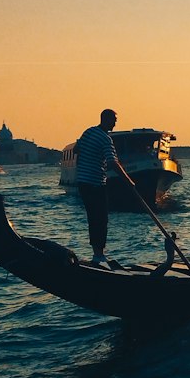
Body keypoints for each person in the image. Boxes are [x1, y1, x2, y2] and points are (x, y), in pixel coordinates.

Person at [74, 108, 135, 269]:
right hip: (95, 183)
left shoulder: (88, 132)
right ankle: (99, 255)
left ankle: (97, 253)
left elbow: (76, 150)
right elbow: (113, 162)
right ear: (107, 119)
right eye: (114, 120)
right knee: (101, 219)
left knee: (93, 218)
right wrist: (128, 181)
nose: (116, 123)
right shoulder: (105, 139)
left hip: (83, 182)